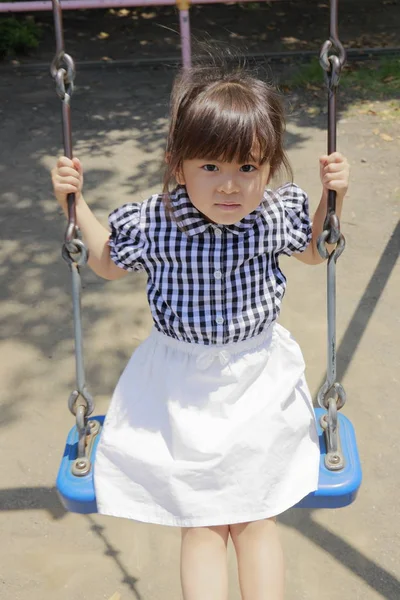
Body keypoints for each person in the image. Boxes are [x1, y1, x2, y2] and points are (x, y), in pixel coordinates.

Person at [52, 56, 349, 600]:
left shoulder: (275, 213)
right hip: (180, 389)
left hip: (259, 380)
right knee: (204, 519)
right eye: (210, 168)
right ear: (177, 165)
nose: (229, 187)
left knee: (257, 515)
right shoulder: (153, 222)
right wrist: (74, 204)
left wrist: (333, 199)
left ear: (271, 167)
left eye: (248, 169)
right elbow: (104, 261)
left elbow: (313, 252)